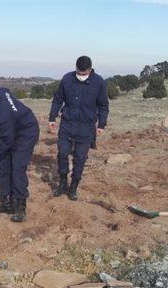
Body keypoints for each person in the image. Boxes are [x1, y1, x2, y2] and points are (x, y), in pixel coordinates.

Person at [49, 56, 109, 201]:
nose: (81, 76)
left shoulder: (98, 82)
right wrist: (52, 118)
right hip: (67, 124)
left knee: (80, 158)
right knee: (62, 154)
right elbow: (58, 99)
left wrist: (101, 124)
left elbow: (103, 106)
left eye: (84, 74)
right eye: (79, 73)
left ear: (90, 70)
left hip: (86, 127)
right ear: (75, 68)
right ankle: (63, 183)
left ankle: (73, 186)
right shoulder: (67, 78)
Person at [0, 85, 39, 222]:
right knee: (4, 166)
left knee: (17, 167)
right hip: (10, 130)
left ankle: (20, 207)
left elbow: (6, 142)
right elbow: (6, 90)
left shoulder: (4, 115)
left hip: (26, 132)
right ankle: (6, 202)